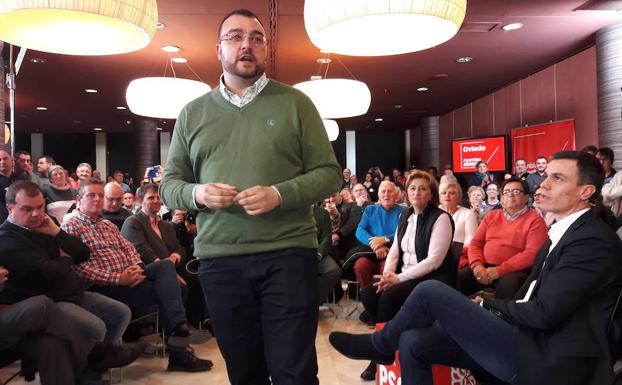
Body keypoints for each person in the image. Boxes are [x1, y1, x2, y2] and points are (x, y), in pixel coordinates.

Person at [158, 8, 341, 385]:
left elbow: (329, 175)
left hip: (288, 253)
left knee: (295, 372)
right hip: (221, 260)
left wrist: (279, 194)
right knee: (244, 373)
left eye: (256, 38)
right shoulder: (192, 113)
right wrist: (199, 193)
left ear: (265, 48)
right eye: (235, 36)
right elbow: (169, 184)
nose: (247, 44)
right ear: (218, 48)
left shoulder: (296, 103)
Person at [329, 150, 622, 385]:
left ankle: (379, 345)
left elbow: (544, 313)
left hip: (548, 355)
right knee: (412, 340)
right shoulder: (561, 232)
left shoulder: (592, 241)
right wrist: (487, 304)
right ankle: (384, 344)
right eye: (545, 177)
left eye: (556, 178)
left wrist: (490, 307)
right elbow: (524, 293)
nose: (542, 185)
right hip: (525, 336)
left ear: (586, 191)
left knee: (431, 290)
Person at [61, 179, 213, 372]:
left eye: (101, 195)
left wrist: (137, 268)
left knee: (166, 266)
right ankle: (180, 348)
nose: (98, 199)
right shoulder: (71, 227)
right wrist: (119, 278)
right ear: (78, 200)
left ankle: (180, 330)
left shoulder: (107, 225)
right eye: (92, 195)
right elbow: (79, 268)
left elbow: (130, 250)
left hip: (131, 276)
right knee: (174, 290)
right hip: (105, 285)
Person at [0, 181, 132, 346]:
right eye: (27, 209)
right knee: (95, 327)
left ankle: (100, 360)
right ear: (10, 209)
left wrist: (56, 232)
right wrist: (66, 259)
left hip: (71, 293)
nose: (36, 214)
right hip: (49, 301)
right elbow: (47, 272)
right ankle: (91, 365)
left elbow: (83, 254)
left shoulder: (47, 223)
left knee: (121, 313)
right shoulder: (6, 239)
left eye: (40, 207)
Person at [358, 171, 455, 381]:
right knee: (368, 293)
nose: (417, 192)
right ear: (406, 193)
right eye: (412, 188)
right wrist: (387, 276)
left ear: (431, 194)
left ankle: (379, 354)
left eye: (422, 188)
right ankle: (391, 339)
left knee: (389, 297)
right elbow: (394, 249)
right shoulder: (406, 215)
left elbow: (433, 261)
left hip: (431, 279)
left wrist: (398, 279)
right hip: (404, 276)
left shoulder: (441, 218)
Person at [121, 183, 207, 328]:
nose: (156, 201)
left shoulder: (166, 225)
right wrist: (169, 271)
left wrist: (173, 258)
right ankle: (175, 330)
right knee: (181, 286)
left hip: (170, 267)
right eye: (150, 198)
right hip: (148, 270)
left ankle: (195, 322)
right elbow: (143, 251)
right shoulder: (133, 222)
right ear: (140, 201)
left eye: (158, 197)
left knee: (199, 278)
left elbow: (179, 248)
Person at [460, 177, 548, 299]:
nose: (510, 195)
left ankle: (498, 317)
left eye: (516, 192)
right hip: (484, 266)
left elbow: (532, 254)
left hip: (515, 271)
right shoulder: (491, 216)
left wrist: (500, 270)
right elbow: (476, 243)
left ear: (526, 197)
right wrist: (477, 265)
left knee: (509, 285)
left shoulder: (535, 220)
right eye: (506, 192)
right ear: (501, 198)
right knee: (461, 277)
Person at [438, 180, 478, 269]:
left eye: (451, 193)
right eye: (443, 193)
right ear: (439, 197)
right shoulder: (433, 212)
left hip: (458, 257)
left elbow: (471, 240)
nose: (447, 195)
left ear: (459, 197)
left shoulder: (468, 214)